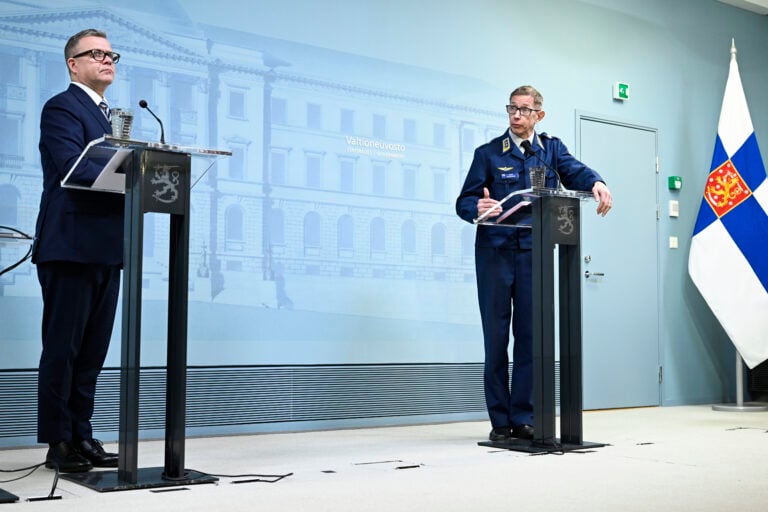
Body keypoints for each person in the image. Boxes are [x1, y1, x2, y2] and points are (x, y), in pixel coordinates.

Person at [455, 85, 612, 442]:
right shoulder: (488, 154)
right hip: (495, 254)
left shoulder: (551, 151)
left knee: (529, 338)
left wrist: (597, 182)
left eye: (524, 109)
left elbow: (576, 172)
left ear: (539, 115)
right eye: (512, 108)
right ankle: (500, 421)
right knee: (496, 339)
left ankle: (523, 417)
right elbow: (464, 201)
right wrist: (475, 207)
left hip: (533, 254)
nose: (516, 115)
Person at [32, 29, 123, 472]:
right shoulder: (62, 107)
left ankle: (82, 434)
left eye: (111, 55)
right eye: (97, 54)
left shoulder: (110, 117)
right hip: (69, 245)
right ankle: (59, 442)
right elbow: (74, 165)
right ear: (73, 63)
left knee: (92, 353)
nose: (107, 60)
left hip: (107, 247)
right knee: (63, 350)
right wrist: (131, 163)